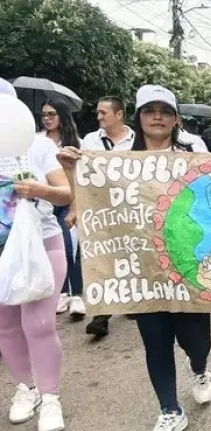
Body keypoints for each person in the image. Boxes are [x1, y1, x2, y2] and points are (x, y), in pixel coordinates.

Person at [59, 85, 211, 431]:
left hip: (190, 267)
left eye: (164, 110)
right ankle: (170, 411)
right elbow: (91, 201)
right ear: (140, 118)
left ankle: (200, 368)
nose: (157, 116)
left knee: (197, 340)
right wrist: (72, 173)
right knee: (155, 341)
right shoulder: (114, 161)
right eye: (149, 110)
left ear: (176, 120)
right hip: (141, 271)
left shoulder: (195, 153)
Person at [0, 107, 73, 431]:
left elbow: (66, 193)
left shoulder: (40, 146)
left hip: (43, 243)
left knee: (40, 323)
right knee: (6, 324)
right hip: (3, 249)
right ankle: (24, 388)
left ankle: (49, 396)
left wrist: (37, 190)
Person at [77, 96, 136, 338]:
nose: (99, 117)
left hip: (131, 206)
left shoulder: (137, 140)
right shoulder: (90, 140)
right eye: (98, 113)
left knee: (130, 254)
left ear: (119, 115)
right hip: (99, 207)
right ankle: (101, 315)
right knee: (102, 257)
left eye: (103, 113)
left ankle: (134, 299)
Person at [39, 100, 85, 320]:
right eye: (44, 115)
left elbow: (80, 178)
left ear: (63, 117)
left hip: (69, 202)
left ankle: (76, 293)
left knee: (71, 248)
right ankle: (62, 291)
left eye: (52, 114)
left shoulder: (76, 143)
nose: (47, 118)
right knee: (54, 251)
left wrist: (75, 206)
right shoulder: (36, 142)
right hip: (45, 204)